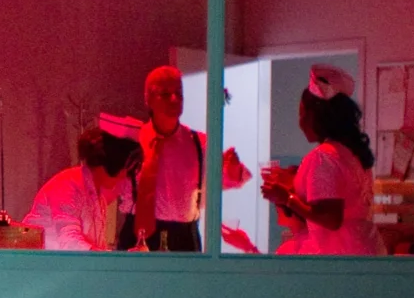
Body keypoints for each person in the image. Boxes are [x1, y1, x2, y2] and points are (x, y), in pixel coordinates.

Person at [125, 65, 252, 253]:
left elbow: (228, 179)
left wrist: (232, 170)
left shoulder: (199, 143)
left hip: (184, 238)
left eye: (179, 93)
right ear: (148, 99)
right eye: (165, 94)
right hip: (138, 236)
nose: (175, 99)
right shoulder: (133, 139)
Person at [261, 64, 384, 255]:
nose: (299, 122)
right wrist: (294, 180)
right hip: (366, 248)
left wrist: (287, 198)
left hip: (341, 255)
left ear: (314, 116)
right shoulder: (352, 152)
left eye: (301, 114)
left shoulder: (323, 156)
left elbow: (330, 218)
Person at [25, 124, 144, 251]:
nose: (124, 176)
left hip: (61, 268)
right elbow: (70, 242)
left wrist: (122, 259)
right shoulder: (68, 185)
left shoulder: (99, 200)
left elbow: (95, 249)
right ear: (110, 164)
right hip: (42, 267)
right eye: (125, 170)